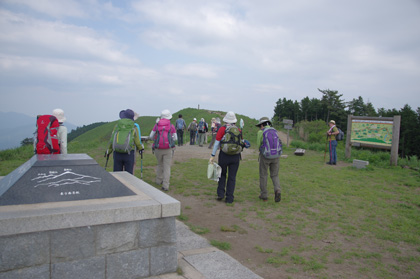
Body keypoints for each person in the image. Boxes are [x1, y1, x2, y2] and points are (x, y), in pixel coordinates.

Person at [209, 111, 244, 204]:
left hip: (224, 155)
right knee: (232, 177)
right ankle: (229, 198)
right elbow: (241, 142)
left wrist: (212, 155)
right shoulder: (238, 130)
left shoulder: (222, 129)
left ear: (226, 120)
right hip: (235, 156)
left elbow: (216, 143)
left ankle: (220, 194)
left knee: (222, 174)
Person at [107, 109, 144, 175]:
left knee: (117, 174)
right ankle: (127, 185)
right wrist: (141, 149)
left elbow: (112, 139)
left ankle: (117, 185)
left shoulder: (117, 126)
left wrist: (109, 151)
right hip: (129, 153)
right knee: (128, 175)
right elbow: (137, 141)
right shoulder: (134, 127)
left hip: (117, 152)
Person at [149, 109, 177, 191]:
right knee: (167, 167)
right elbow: (175, 138)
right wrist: (170, 139)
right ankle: (165, 185)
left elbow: (151, 136)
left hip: (158, 148)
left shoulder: (157, 125)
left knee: (159, 164)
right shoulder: (171, 126)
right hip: (168, 148)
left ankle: (158, 180)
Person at [256, 117, 281, 202]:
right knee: (275, 175)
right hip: (276, 156)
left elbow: (258, 145)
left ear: (262, 125)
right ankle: (277, 190)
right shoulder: (275, 131)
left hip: (265, 156)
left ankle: (264, 195)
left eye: (260, 125)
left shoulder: (261, 132)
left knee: (263, 175)